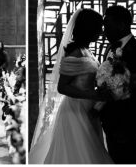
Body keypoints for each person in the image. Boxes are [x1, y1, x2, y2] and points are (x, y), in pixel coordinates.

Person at [29, 9, 113, 164]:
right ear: (89, 29)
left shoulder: (86, 50)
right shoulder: (74, 52)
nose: (101, 32)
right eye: (98, 28)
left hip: (90, 109)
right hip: (75, 110)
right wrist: (93, 95)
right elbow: (62, 87)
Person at [101, 5, 136, 164]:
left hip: (125, 125)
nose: (104, 30)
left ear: (121, 25)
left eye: (107, 24)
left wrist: (123, 128)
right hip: (111, 121)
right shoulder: (111, 46)